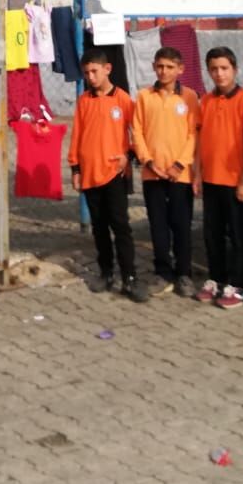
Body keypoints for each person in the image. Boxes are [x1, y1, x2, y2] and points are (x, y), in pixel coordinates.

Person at [68, 48, 149, 303]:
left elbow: (137, 132)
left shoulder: (122, 99)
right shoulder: (84, 101)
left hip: (114, 174)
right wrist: (75, 168)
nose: (91, 77)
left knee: (121, 226)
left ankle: (130, 278)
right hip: (90, 174)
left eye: (94, 71)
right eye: (86, 73)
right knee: (99, 227)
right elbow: (77, 136)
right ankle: (106, 272)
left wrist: (129, 155)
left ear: (107, 69)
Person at [132, 46, 201, 297]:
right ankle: (162, 272)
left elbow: (194, 134)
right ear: (153, 67)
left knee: (181, 224)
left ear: (180, 69)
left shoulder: (190, 97)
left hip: (180, 175)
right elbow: (137, 131)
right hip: (153, 173)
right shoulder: (144, 96)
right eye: (160, 66)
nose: (164, 71)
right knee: (158, 225)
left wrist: (179, 164)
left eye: (170, 67)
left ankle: (184, 273)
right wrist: (148, 161)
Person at [196, 47, 243, 309]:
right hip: (211, 179)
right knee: (213, 233)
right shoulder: (205, 101)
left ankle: (241, 285)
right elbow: (200, 140)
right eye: (214, 69)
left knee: (239, 235)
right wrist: (197, 174)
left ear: (235, 69)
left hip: (235, 181)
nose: (219, 73)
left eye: (224, 68)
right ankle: (216, 279)